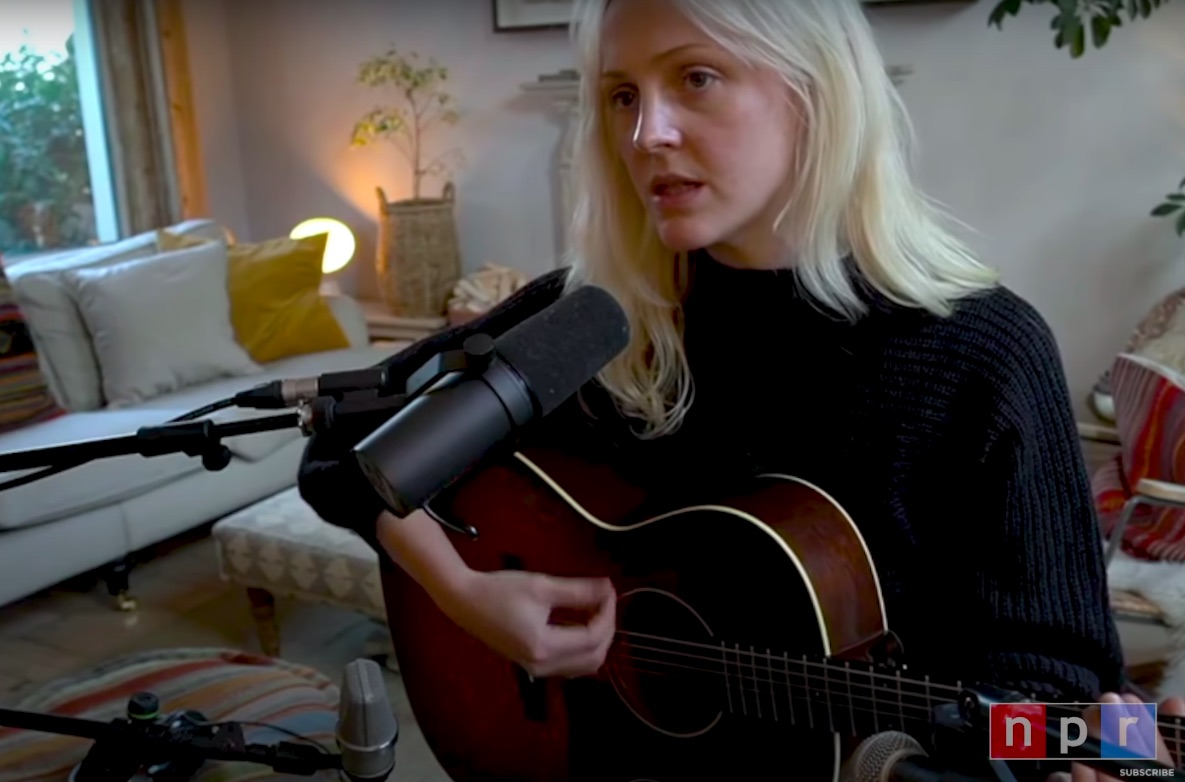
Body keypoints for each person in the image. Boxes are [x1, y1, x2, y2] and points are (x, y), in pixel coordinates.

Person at [297, 0, 1183, 779]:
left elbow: (1059, 686)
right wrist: (467, 595)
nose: (646, 133)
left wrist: (1069, 750)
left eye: (696, 77)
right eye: (620, 95)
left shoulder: (981, 352)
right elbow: (340, 451)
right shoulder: (595, 325)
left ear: (815, 92)